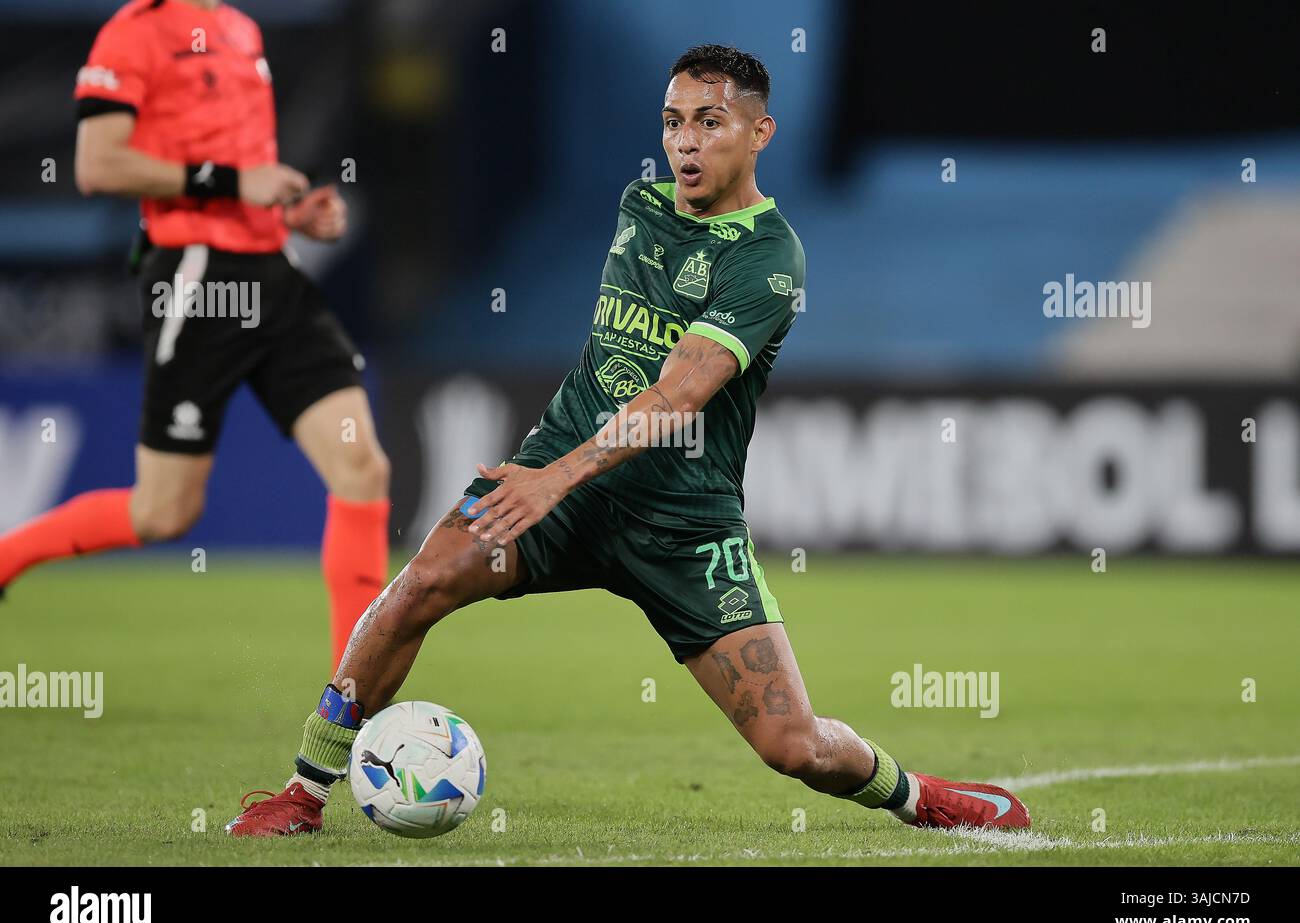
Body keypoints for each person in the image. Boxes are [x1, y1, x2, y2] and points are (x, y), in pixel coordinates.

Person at [226, 44, 1029, 836]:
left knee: (794, 747)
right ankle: (302, 791)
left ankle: (921, 797)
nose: (684, 141)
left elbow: (678, 393)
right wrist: (550, 475)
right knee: (420, 586)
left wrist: (555, 479)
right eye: (673, 122)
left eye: (710, 122)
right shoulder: (639, 205)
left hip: (683, 525)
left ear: (760, 134)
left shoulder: (769, 260)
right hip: (561, 484)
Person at [0, 0, 390, 667]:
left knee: (363, 468)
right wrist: (238, 182)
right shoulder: (134, 33)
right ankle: (8, 555)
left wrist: (291, 213)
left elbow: (239, 174)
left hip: (274, 275)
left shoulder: (240, 28)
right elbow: (98, 166)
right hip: (198, 280)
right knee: (164, 513)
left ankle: (351, 703)